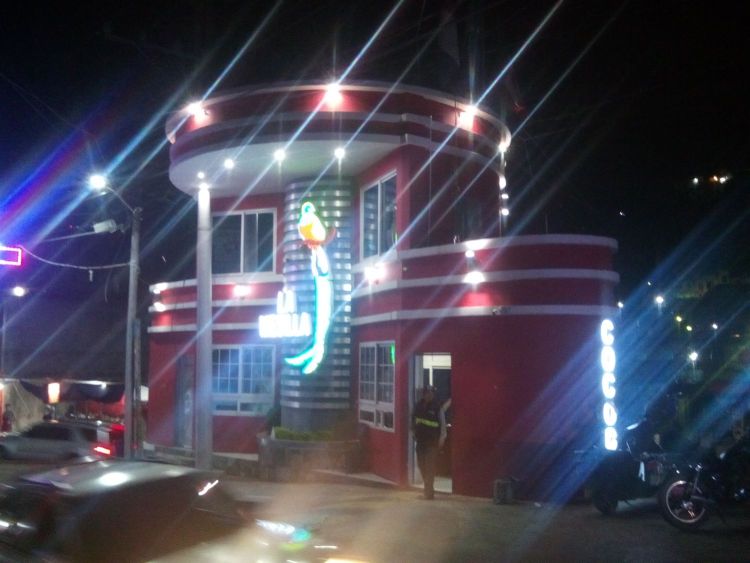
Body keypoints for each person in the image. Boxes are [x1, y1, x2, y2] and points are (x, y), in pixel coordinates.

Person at [412, 386, 446, 500]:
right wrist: (413, 432)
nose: (430, 395)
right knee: (421, 465)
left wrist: (442, 437)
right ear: (424, 394)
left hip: (432, 442)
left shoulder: (437, 407)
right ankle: (428, 489)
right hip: (420, 441)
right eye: (427, 393)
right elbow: (413, 419)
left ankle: (429, 493)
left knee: (430, 467)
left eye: (431, 393)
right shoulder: (418, 406)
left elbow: (442, 423)